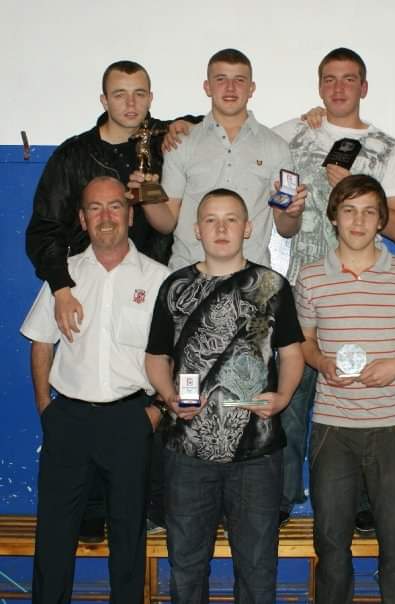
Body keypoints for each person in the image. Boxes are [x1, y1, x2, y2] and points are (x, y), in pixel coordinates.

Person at [25, 60, 201, 538]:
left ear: (151, 98)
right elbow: (42, 232)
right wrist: (63, 287)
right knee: (81, 518)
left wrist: (186, 124)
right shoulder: (74, 156)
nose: (130, 103)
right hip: (89, 295)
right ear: (103, 100)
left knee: (146, 492)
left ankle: (150, 506)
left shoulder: (165, 142)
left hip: (152, 293)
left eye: (139, 94)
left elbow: (221, 116)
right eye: (119, 94)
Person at [273, 47, 395, 529]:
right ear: (318, 85)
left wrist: (352, 183)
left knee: (365, 398)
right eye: (329, 79)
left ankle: (365, 503)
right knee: (292, 399)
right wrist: (178, 128)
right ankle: (284, 498)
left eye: (348, 79)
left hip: (365, 294)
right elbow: (284, 224)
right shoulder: (292, 135)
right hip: (301, 289)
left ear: (363, 87)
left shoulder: (387, 147)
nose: (338, 88)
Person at [145, 188, 304, 603]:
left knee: (256, 567)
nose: (221, 227)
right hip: (187, 452)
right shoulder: (174, 286)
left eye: (231, 219)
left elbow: (291, 353)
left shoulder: (272, 284)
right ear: (196, 230)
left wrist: (284, 396)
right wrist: (168, 396)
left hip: (258, 452)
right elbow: (156, 357)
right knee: (186, 566)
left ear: (248, 227)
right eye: (211, 219)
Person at [20, 176, 170, 604]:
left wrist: (157, 409)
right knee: (53, 536)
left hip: (131, 420)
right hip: (68, 421)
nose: (106, 217)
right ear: (82, 219)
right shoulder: (62, 276)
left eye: (115, 206)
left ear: (130, 213)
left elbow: (175, 354)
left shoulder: (158, 279)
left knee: (128, 537)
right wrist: (46, 408)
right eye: (96, 209)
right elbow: (41, 341)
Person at [296, 174, 395, 603]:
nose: (359, 220)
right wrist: (321, 363)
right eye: (349, 210)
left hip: (392, 429)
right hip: (333, 430)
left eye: (370, 211)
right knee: (331, 547)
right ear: (333, 216)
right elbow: (305, 344)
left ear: (381, 220)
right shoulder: (311, 277)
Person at [141, 48, 306, 272]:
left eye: (239, 80)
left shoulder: (276, 147)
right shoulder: (182, 143)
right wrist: (146, 195)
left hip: (251, 280)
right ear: (207, 87)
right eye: (221, 79)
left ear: (251, 88)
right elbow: (167, 221)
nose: (230, 88)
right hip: (189, 275)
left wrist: (292, 213)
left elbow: (285, 228)